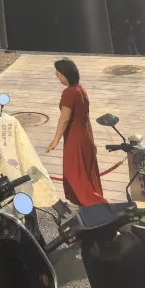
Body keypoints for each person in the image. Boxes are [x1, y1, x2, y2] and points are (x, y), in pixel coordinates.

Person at [43, 57, 106, 207]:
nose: (56, 75)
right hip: (85, 135)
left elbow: (64, 118)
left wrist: (55, 140)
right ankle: (90, 203)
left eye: (58, 73)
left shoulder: (69, 92)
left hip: (75, 138)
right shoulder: (80, 89)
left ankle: (94, 204)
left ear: (65, 75)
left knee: (75, 173)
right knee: (87, 172)